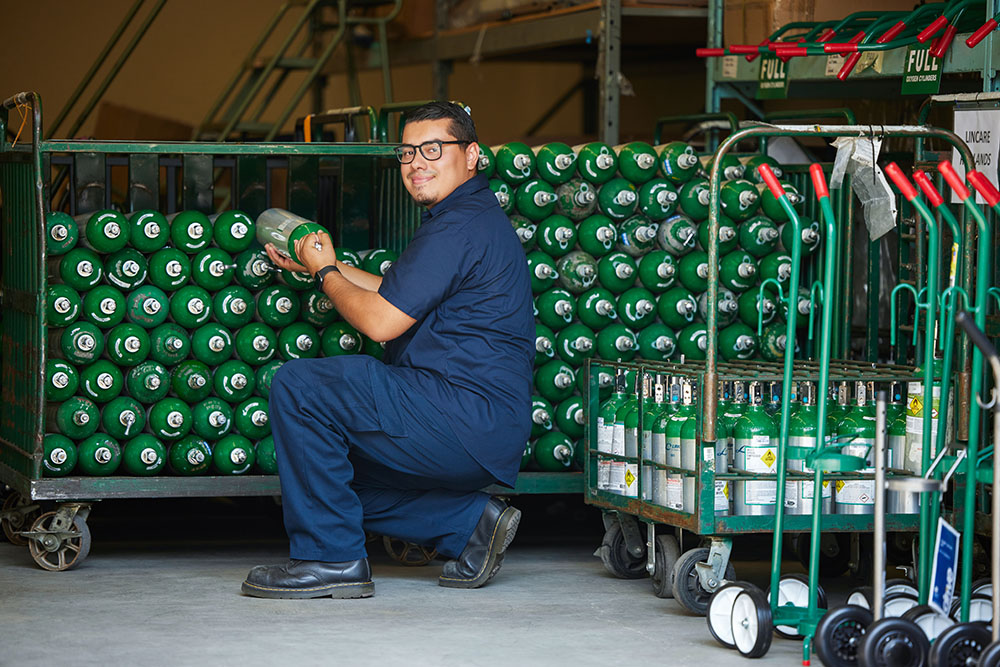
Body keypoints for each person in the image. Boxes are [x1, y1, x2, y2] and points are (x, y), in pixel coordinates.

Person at [242, 101, 534, 599]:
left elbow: (379, 321)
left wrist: (324, 273)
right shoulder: (467, 218)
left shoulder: (457, 227)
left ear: (472, 155)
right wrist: (326, 264)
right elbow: (392, 294)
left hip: (461, 414)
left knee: (300, 387)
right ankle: (471, 524)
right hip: (481, 427)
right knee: (325, 474)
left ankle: (330, 559)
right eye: (407, 152)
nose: (417, 162)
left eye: (433, 149)